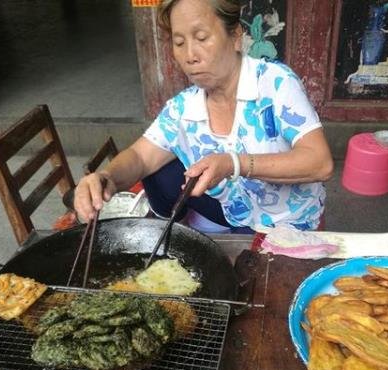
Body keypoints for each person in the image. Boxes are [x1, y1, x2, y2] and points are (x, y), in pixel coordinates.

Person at [74, 0, 333, 233]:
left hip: (288, 222)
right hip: (234, 212)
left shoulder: (275, 83)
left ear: (235, 36)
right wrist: (106, 177)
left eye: (201, 37)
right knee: (157, 168)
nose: (190, 56)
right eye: (179, 43)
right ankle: (179, 231)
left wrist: (235, 164)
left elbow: (320, 163)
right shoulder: (184, 107)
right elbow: (141, 156)